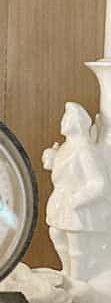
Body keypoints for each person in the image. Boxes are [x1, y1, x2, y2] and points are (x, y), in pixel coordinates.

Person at [43, 102, 111, 279]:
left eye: (66, 118)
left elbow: (99, 182)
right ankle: (66, 272)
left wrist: (78, 200)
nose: (63, 121)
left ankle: (78, 279)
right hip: (60, 201)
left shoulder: (85, 150)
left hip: (76, 205)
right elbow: (67, 172)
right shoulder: (67, 147)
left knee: (76, 244)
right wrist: (53, 160)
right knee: (56, 233)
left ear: (76, 122)